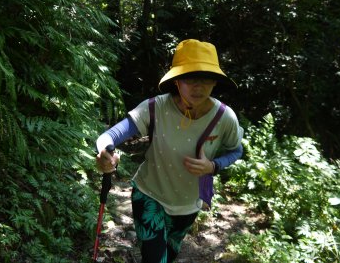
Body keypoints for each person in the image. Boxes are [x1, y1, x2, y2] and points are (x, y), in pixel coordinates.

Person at [95, 39, 244, 263]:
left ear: (215, 82)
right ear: (176, 81)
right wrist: (104, 154)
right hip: (149, 195)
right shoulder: (155, 108)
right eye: (190, 78)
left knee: (170, 254)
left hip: (189, 204)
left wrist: (213, 166)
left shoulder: (225, 118)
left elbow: (235, 150)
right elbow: (111, 136)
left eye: (206, 79)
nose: (198, 86)